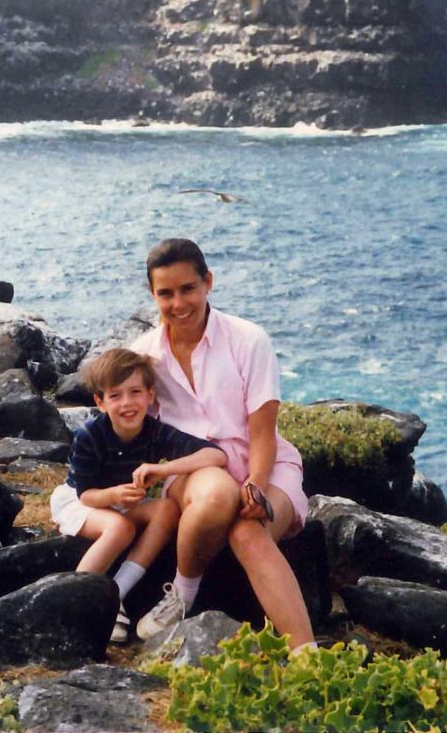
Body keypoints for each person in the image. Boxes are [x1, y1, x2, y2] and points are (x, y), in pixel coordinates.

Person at [130, 238, 315, 651]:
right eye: (166, 293)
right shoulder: (144, 357)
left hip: (264, 463)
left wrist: (256, 484)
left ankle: (309, 659)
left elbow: (263, 432)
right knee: (216, 496)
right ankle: (183, 592)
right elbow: (127, 428)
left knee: (249, 533)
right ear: (153, 294)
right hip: (196, 472)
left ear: (208, 282)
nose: (179, 303)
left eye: (188, 289)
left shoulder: (249, 340)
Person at [49, 347, 227, 643]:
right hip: (85, 500)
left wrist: (163, 470)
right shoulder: (89, 436)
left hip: (121, 501)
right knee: (121, 528)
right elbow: (86, 496)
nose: (127, 403)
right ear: (100, 402)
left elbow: (215, 455)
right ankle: (77, 598)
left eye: (135, 392)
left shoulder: (155, 432)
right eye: (115, 395)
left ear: (150, 395)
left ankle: (115, 593)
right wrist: (114, 496)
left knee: (167, 510)